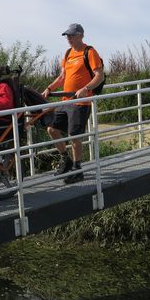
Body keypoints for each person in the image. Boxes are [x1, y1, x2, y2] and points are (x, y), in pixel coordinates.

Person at [41, 23, 104, 184]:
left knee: (74, 136)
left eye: (71, 35)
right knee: (52, 129)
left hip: (81, 102)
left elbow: (99, 76)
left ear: (80, 35)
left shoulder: (89, 51)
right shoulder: (68, 53)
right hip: (66, 100)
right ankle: (66, 160)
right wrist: (49, 88)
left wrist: (85, 88)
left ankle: (77, 169)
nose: (68, 38)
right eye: (67, 36)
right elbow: (62, 77)